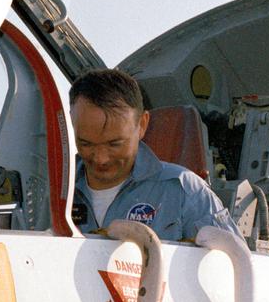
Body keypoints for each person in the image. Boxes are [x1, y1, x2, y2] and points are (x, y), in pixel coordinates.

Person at [70, 68, 239, 241]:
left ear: (142, 124)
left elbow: (234, 261)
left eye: (115, 144)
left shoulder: (184, 192)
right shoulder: (52, 191)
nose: (100, 158)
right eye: (86, 143)